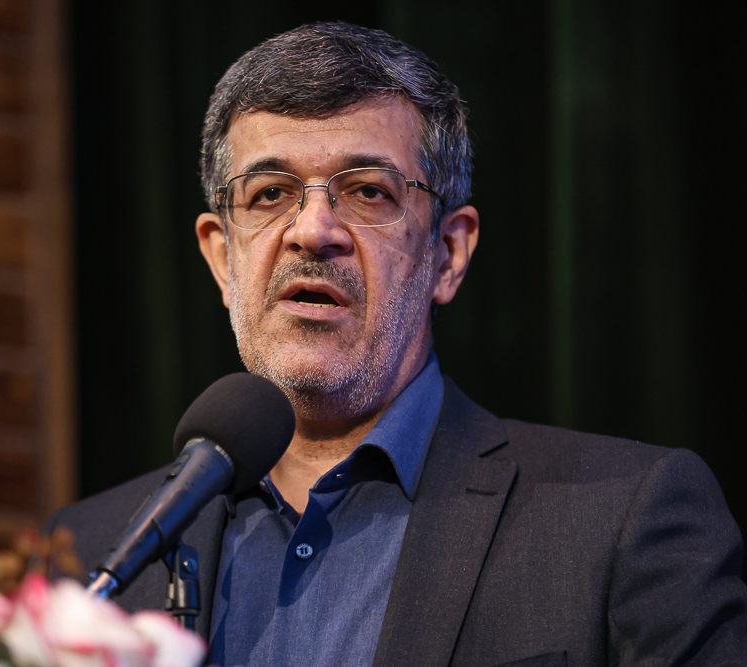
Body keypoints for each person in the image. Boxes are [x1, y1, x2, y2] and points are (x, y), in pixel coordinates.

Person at [45, 22, 747, 666]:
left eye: (368, 192)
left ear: (448, 253)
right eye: (269, 194)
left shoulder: (620, 517)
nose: (312, 230)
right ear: (221, 258)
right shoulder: (89, 564)